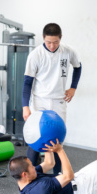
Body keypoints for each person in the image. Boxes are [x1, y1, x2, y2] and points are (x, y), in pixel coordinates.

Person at [22, 23, 82, 176]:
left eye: (55, 42)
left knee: (57, 139)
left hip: (58, 101)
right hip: (39, 100)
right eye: (49, 42)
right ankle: (31, 175)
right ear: (43, 38)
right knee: (35, 136)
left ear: (60, 38)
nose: (52, 45)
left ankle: (57, 176)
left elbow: (78, 66)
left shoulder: (68, 51)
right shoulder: (35, 55)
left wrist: (73, 87)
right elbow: (27, 82)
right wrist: (25, 106)